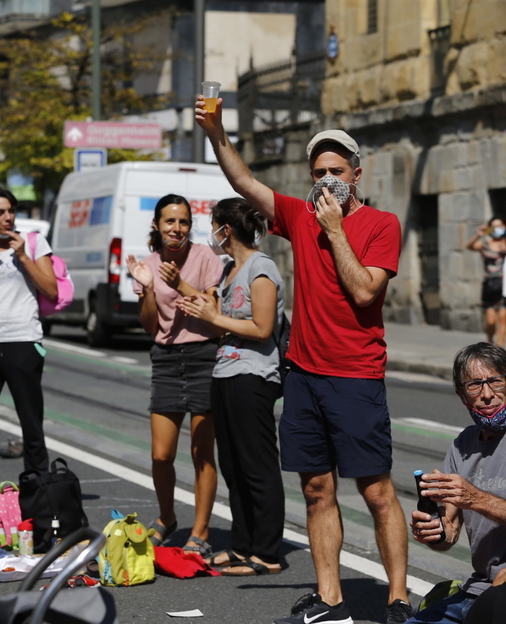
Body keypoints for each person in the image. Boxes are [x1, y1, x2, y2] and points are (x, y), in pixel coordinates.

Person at [196, 98, 410, 624]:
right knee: (316, 490)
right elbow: (244, 181)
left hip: (356, 376)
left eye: (337, 172)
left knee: (377, 490)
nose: (327, 181)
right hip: (305, 377)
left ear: (356, 175)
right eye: (318, 173)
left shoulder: (381, 225)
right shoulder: (297, 214)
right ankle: (329, 597)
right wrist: (216, 131)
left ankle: (399, 598)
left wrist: (335, 229)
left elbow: (364, 293)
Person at [180, 197, 286, 576]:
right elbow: (222, 321)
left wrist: (215, 316)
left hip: (253, 375)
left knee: (257, 465)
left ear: (227, 229)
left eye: (214, 225)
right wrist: (206, 311)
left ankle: (268, 552)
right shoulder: (228, 269)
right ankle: (242, 545)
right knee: (233, 465)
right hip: (224, 372)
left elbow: (261, 327)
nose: (212, 233)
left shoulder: (261, 268)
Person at [125, 194, 223, 556]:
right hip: (166, 358)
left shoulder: (205, 258)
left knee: (202, 452)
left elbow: (213, 308)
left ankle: (201, 530)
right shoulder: (148, 264)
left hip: (204, 356)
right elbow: (150, 324)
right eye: (169, 221)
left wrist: (181, 283)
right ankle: (167, 518)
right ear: (157, 225)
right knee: (161, 455)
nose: (176, 228)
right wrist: (149, 287)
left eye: (183, 222)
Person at [405, 342, 506, 624]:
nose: (487, 395)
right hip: (476, 591)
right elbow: (450, 531)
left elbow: (472, 499)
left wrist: (476, 499)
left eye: (495, 381)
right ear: (462, 396)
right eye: (475, 386)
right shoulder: (463, 443)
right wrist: (435, 532)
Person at [0, 189, 57, 485]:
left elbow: (51, 289)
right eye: (0, 213)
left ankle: (39, 490)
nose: (7, 218)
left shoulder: (33, 242)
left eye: (11, 211)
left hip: (23, 341)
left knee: (31, 423)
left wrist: (22, 256)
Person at [465, 217, 506, 346]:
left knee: (503, 318)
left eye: (500, 226)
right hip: (490, 286)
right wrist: (478, 235)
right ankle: (489, 343)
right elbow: (470, 246)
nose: (497, 229)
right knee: (491, 321)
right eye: (493, 227)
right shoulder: (486, 244)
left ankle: (499, 350)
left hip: (504, 286)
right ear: (489, 228)